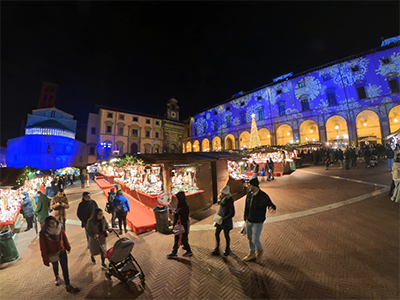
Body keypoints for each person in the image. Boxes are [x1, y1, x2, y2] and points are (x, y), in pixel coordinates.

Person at [39, 216, 80, 293]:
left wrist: (67, 247)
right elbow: (43, 246)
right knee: (55, 265)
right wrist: (45, 259)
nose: (54, 224)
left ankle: (67, 284)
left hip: (62, 251)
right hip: (52, 253)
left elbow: (64, 238)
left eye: (54, 222)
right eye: (51, 223)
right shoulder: (44, 233)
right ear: (48, 224)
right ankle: (57, 276)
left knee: (65, 268)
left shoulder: (59, 228)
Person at [243, 178, 276, 262]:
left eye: (250, 185)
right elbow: (246, 207)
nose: (249, 186)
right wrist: (245, 219)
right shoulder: (249, 194)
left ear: (254, 186)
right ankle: (252, 253)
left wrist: (272, 207)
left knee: (255, 239)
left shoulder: (263, 196)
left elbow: (270, 204)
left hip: (258, 221)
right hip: (249, 220)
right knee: (250, 238)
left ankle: (260, 250)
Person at [167, 191, 192, 258]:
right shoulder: (183, 204)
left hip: (181, 226)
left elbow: (178, 213)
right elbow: (177, 212)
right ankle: (188, 250)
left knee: (178, 238)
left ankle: (174, 252)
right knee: (183, 239)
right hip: (181, 225)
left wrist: (174, 212)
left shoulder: (184, 206)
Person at [211, 186, 235, 256]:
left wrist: (224, 218)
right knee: (216, 233)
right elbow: (221, 209)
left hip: (226, 221)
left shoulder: (229, 201)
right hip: (219, 220)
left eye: (223, 194)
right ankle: (217, 247)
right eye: (221, 193)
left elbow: (232, 213)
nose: (221, 195)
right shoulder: (221, 200)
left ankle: (227, 248)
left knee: (226, 235)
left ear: (226, 194)